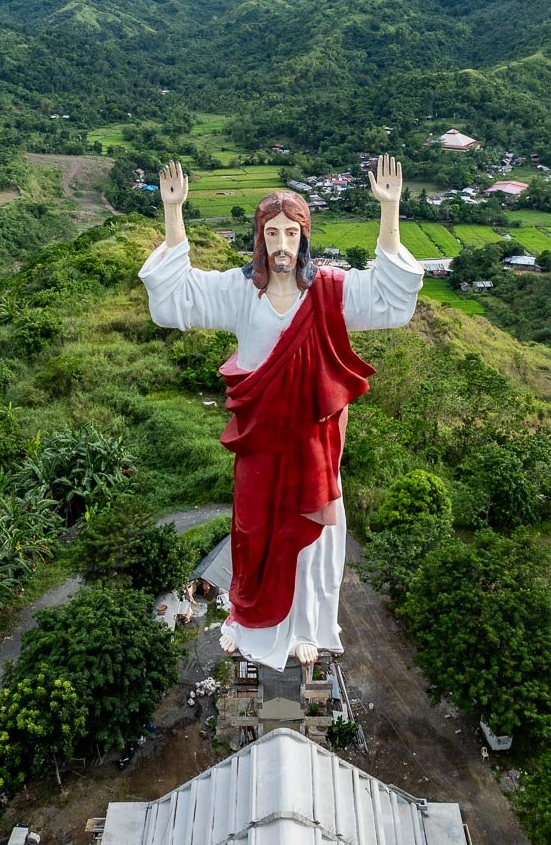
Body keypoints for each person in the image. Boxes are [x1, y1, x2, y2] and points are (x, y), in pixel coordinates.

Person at [139, 156, 422, 670]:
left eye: (292, 233)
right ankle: (249, 621)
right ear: (260, 239)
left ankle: (307, 628)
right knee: (251, 533)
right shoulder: (238, 292)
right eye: (273, 233)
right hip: (260, 445)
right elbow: (175, 299)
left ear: (305, 238)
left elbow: (391, 297)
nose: (283, 244)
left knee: (312, 540)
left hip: (312, 446)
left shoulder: (329, 293)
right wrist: (174, 213)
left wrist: (390, 211)